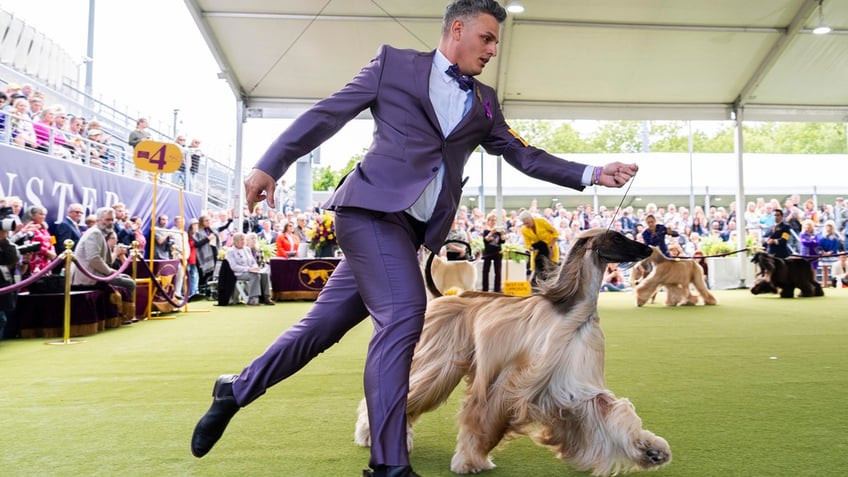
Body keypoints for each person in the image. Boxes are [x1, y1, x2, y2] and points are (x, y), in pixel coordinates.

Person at [190, 2, 638, 475]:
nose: (492, 50)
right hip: (367, 213)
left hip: (411, 233)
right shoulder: (393, 65)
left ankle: (235, 388)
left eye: (495, 42)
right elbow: (328, 114)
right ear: (457, 29)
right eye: (486, 38)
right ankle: (389, 466)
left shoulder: (485, 100)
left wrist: (591, 172)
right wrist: (270, 164)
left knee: (320, 330)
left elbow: (525, 155)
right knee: (404, 316)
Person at [70, 207, 136, 324]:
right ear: (98, 220)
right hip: (89, 278)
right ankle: (122, 315)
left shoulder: (99, 233)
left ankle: (119, 314)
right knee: (129, 283)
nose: (110, 222)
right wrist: (110, 272)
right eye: (108, 219)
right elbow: (94, 259)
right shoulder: (95, 233)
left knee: (126, 278)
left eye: (112, 220)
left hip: (95, 274)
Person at [224, 232, 274, 306]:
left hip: (250, 271)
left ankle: (266, 297)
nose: (244, 242)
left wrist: (255, 267)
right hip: (238, 273)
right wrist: (248, 269)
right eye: (241, 240)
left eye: (244, 240)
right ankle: (253, 299)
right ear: (236, 241)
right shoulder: (230, 252)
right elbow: (233, 267)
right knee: (255, 275)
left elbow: (253, 261)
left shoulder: (247, 249)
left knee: (264, 274)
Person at [519, 210, 559, 280]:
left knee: (552, 268)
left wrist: (550, 247)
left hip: (550, 247)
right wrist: (531, 248)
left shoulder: (541, 221)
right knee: (538, 269)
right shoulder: (524, 230)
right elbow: (527, 244)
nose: (526, 226)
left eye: (527, 223)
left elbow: (555, 233)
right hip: (538, 250)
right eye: (524, 224)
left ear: (531, 218)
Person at [480, 212, 504, 292]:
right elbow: (486, 240)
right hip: (488, 254)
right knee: (485, 271)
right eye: (491, 220)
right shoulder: (486, 231)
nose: (493, 222)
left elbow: (502, 241)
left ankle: (497, 290)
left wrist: (502, 234)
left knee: (498, 272)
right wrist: (492, 232)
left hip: (498, 253)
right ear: (488, 221)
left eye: (494, 220)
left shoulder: (499, 231)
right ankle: (485, 290)